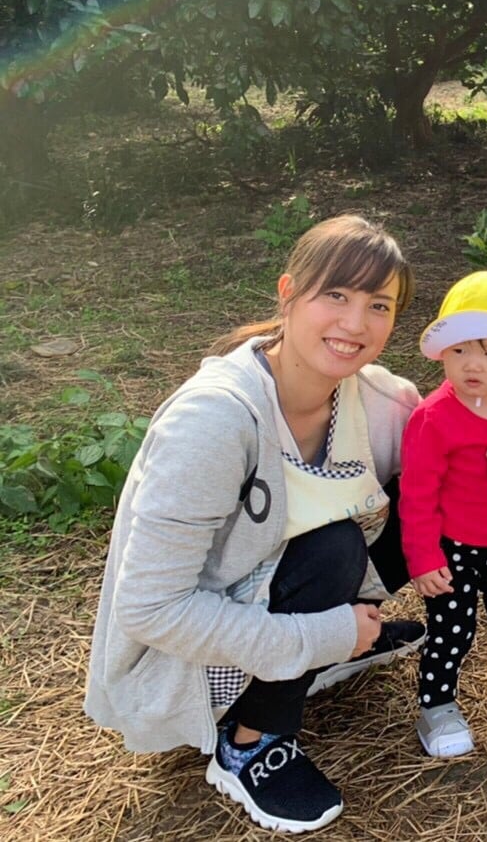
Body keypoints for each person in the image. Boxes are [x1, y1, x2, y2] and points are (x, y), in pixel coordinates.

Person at [84, 215, 426, 833]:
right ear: (289, 293)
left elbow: (464, 449)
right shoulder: (215, 420)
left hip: (274, 598)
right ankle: (249, 743)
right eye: (336, 295)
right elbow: (152, 609)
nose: (355, 324)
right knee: (333, 545)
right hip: (185, 655)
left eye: (379, 305)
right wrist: (321, 636)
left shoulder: (381, 400)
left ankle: (339, 643)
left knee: (435, 476)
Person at [400, 271, 487, 757]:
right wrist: (422, 557)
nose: (471, 364)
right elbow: (416, 495)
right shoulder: (433, 418)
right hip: (454, 548)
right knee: (450, 631)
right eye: (458, 351)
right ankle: (436, 707)